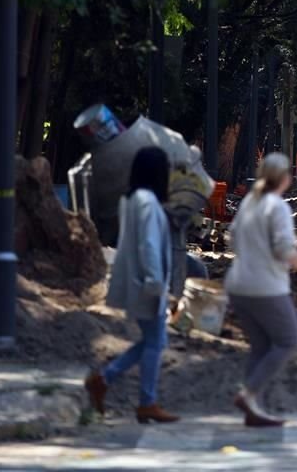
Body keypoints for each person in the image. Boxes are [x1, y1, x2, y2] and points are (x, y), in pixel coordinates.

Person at [84, 146, 179, 424]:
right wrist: (155, 282)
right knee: (154, 342)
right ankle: (146, 402)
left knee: (153, 340)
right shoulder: (148, 202)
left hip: (139, 282)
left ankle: (103, 380)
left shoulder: (134, 199)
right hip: (146, 284)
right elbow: (148, 245)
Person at [225, 152, 297, 427]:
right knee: (289, 340)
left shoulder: (250, 202)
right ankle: (248, 393)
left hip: (237, 285)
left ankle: (253, 407)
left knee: (261, 346)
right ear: (284, 178)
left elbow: (232, 241)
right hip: (265, 287)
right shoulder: (277, 207)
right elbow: (283, 248)